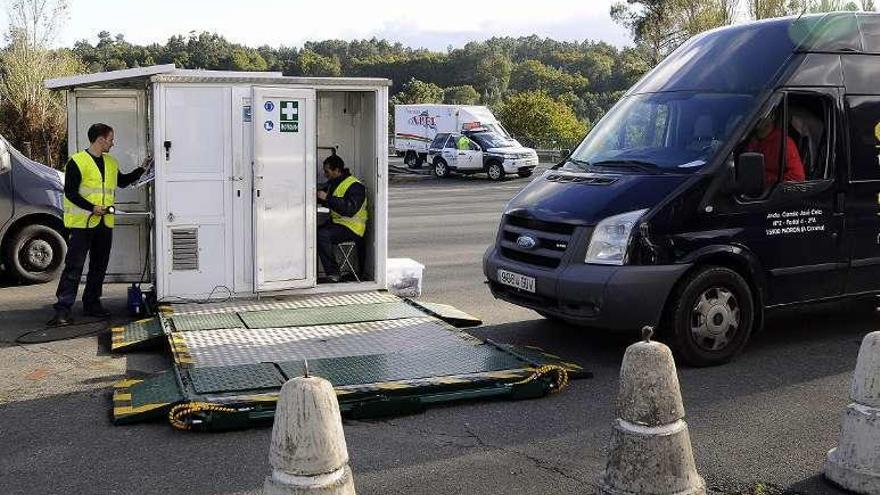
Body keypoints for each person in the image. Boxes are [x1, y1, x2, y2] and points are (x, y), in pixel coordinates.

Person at [48, 123, 150, 326]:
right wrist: (92, 207)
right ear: (101, 139)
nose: (113, 143)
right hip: (81, 225)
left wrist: (143, 168)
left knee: (98, 267)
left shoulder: (111, 163)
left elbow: (122, 182)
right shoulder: (77, 161)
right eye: (111, 139)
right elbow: (70, 193)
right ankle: (62, 310)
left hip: (104, 224)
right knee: (74, 267)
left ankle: (92, 304)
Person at [316, 154, 368, 283]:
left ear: (337, 170)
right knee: (313, 231)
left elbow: (349, 209)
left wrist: (327, 198)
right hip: (339, 224)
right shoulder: (334, 183)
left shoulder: (355, 186)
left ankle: (333, 274)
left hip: (353, 228)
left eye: (327, 171)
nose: (325, 174)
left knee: (322, 235)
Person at [746, 110, 805, 186]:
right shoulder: (746, 139)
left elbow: (798, 178)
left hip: (771, 193)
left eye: (760, 113)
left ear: (772, 117)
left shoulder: (784, 142)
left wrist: (766, 180)